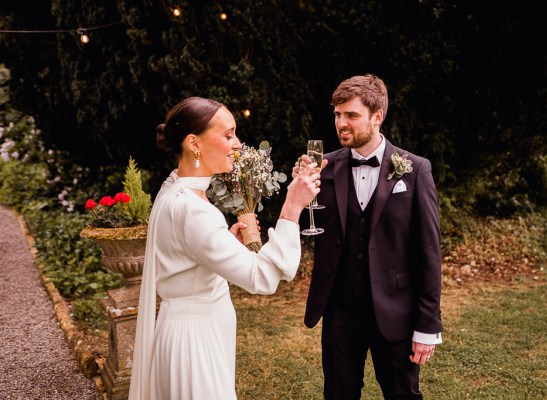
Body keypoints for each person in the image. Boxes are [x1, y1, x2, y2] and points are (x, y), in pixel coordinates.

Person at [128, 97, 321, 400]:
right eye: (228, 135)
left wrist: (222, 245)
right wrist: (292, 207)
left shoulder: (173, 189)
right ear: (194, 143)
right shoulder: (195, 210)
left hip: (181, 332)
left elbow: (184, 257)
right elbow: (263, 278)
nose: (238, 144)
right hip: (194, 345)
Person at [296, 74, 443, 399]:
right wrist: (298, 195)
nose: (341, 123)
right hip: (340, 312)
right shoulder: (324, 168)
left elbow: (429, 255)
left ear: (377, 117)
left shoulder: (415, 170)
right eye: (337, 115)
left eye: (351, 115)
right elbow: (305, 226)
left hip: (397, 313)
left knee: (402, 394)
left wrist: (427, 326)